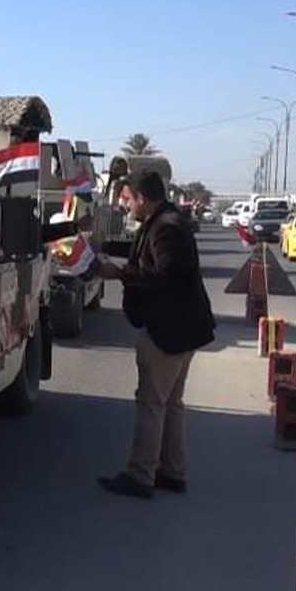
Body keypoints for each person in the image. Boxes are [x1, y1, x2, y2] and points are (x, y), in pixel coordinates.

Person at [96, 170, 215, 499]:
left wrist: (119, 273)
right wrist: (104, 245)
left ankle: (140, 475)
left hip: (169, 331)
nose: (126, 207)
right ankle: (172, 472)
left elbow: (164, 274)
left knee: (151, 403)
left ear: (142, 199)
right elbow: (141, 251)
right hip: (183, 329)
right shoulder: (163, 221)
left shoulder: (166, 227)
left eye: (128, 200)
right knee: (171, 403)